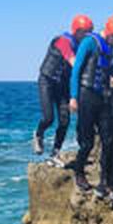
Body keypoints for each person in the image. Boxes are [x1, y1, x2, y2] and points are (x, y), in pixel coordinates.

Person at [69, 13, 113, 206]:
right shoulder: (89, 42)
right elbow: (77, 69)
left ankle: (104, 182)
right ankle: (79, 172)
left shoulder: (109, 47)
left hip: (103, 97)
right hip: (86, 96)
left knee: (108, 139)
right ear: (110, 31)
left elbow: (110, 68)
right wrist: (73, 97)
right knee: (86, 142)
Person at [33, 14, 94, 164]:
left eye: (88, 33)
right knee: (48, 118)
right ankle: (38, 134)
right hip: (46, 82)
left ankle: (55, 153)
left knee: (65, 121)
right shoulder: (62, 41)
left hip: (62, 86)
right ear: (76, 30)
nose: (86, 36)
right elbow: (73, 61)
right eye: (84, 32)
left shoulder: (81, 46)